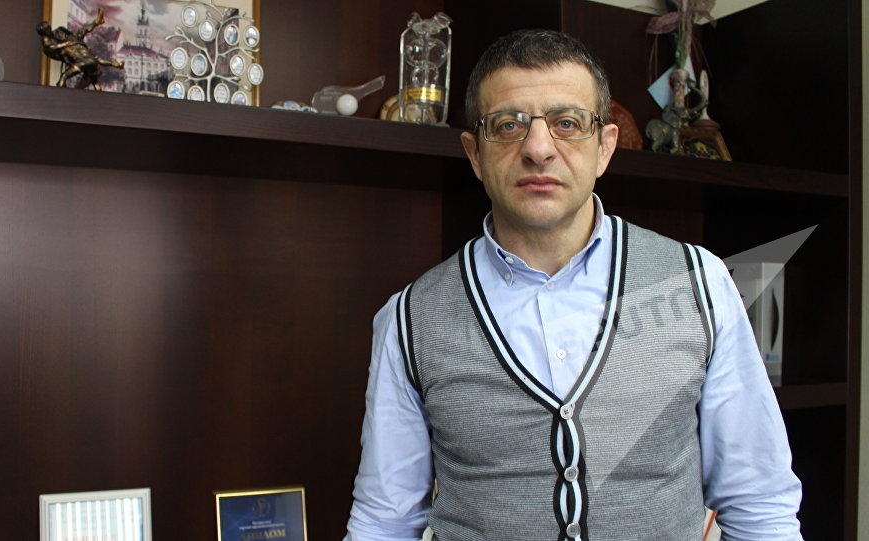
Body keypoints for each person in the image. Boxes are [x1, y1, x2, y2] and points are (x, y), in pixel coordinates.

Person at [344, 29, 802, 541]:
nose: (538, 149)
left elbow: (759, 503)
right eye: (509, 125)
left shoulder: (701, 284)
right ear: (474, 154)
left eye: (567, 123)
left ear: (604, 148)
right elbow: (384, 522)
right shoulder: (409, 319)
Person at [37, 8, 123, 90]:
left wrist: (71, 42)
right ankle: (97, 22)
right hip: (73, 53)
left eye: (49, 28)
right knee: (75, 76)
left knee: (80, 33)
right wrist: (67, 44)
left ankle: (97, 22)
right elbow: (53, 48)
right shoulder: (47, 43)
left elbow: (72, 36)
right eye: (48, 29)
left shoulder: (59, 32)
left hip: (75, 48)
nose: (50, 30)